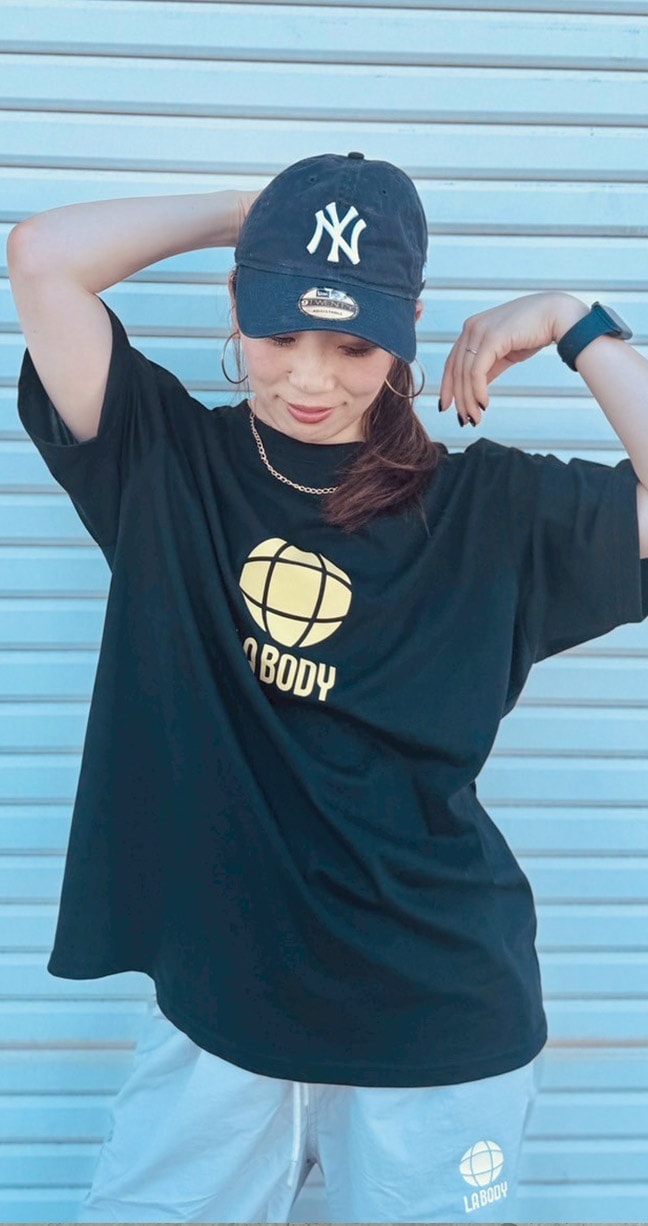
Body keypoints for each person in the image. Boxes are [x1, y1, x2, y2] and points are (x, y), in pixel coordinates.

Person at [8, 152, 648, 1225]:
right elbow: (41, 257)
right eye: (280, 333)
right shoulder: (163, 463)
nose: (311, 379)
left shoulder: (487, 511)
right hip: (221, 1018)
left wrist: (571, 320)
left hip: (435, 1026)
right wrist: (253, 216)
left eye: (352, 345)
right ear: (239, 306)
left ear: (405, 331)